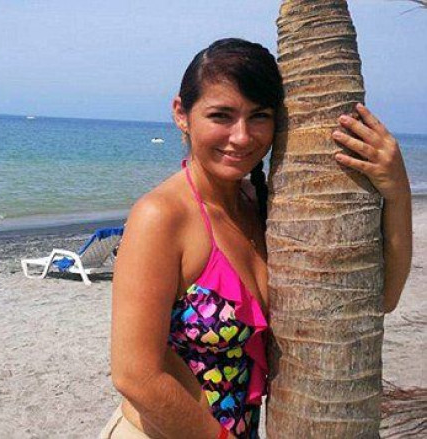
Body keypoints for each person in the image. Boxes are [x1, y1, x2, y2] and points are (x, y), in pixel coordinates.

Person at [101, 38, 412, 439]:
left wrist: (396, 190)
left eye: (259, 116)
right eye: (221, 115)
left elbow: (380, 298)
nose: (242, 137)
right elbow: (136, 375)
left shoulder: (263, 208)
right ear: (182, 113)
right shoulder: (161, 216)